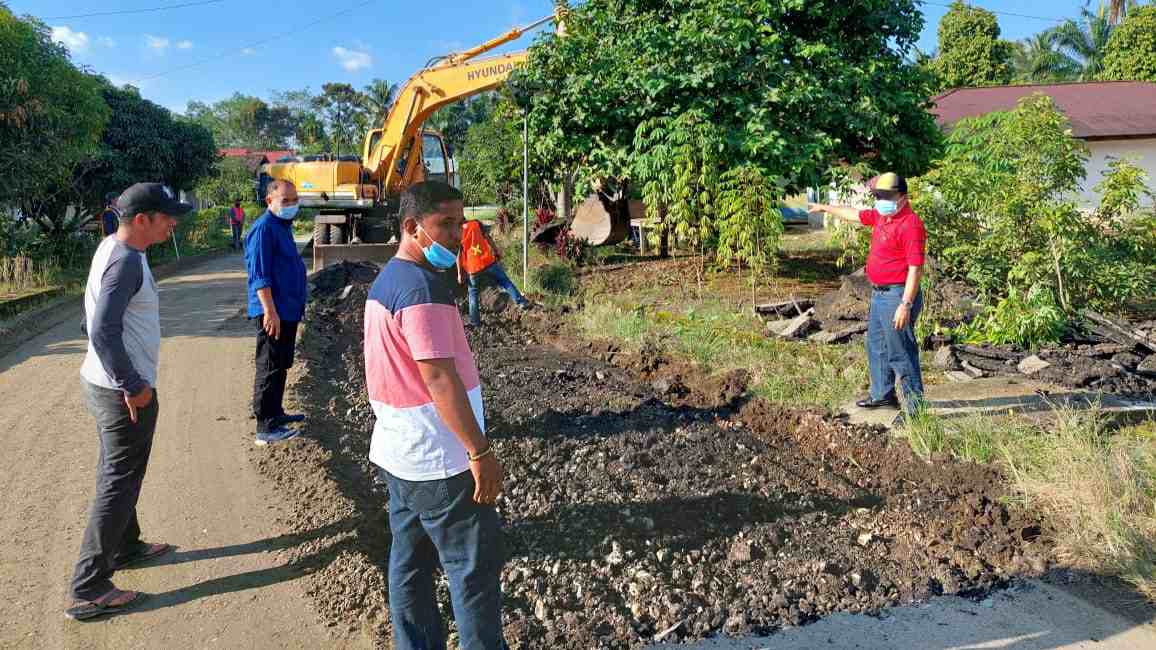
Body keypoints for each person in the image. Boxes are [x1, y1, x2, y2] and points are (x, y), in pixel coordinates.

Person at [363, 182, 507, 650]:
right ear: (412, 227)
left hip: (402, 454)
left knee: (410, 566)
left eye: (459, 224)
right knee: (472, 572)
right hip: (439, 460)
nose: (455, 235)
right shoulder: (421, 289)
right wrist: (480, 451)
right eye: (444, 225)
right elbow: (439, 379)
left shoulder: (390, 280)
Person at [66, 183, 190, 621]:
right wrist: (131, 383)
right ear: (142, 220)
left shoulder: (112, 250)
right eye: (166, 216)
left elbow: (90, 317)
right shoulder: (125, 264)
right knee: (117, 481)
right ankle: (88, 586)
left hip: (104, 382)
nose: (173, 222)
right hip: (122, 391)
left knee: (124, 472)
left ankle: (126, 545)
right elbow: (100, 330)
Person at [808, 172, 927, 415]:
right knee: (876, 345)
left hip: (897, 296)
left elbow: (916, 269)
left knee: (901, 353)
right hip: (880, 295)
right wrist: (825, 207)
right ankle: (882, 395)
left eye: (886, 196)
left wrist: (905, 304)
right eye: (878, 196)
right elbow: (854, 214)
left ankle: (915, 410)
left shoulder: (910, 224)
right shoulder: (883, 216)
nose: (880, 200)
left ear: (902, 198)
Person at [244, 180, 308, 446]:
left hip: (287, 309)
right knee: (269, 365)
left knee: (281, 363)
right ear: (270, 201)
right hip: (274, 311)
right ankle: (265, 426)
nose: (292, 205)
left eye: (295, 200)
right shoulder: (263, 229)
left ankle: (276, 413)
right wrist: (270, 311)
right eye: (286, 200)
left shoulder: (283, 227)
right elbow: (260, 276)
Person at [458, 217, 530, 327]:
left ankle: (475, 322)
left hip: (473, 268)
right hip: (487, 261)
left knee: (473, 293)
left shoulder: (457, 231)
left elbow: (458, 255)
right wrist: (496, 251)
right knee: (504, 281)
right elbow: (488, 238)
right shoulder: (476, 223)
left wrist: (460, 273)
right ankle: (522, 303)